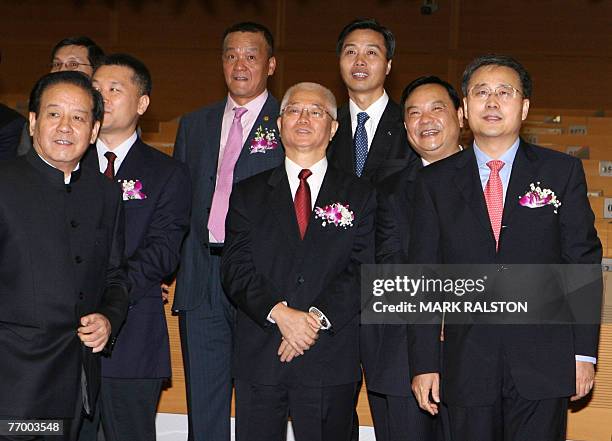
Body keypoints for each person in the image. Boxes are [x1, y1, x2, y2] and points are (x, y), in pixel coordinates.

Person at [408, 55, 602, 441]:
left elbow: (581, 263)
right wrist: (424, 362)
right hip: (465, 364)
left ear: (524, 106)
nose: (492, 102)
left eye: (504, 92)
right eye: (481, 92)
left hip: (544, 361)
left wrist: (583, 353)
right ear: (464, 109)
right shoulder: (434, 183)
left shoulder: (560, 173)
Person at [221, 82, 375, 441]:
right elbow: (235, 267)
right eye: (294, 110)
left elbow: (364, 268)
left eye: (316, 111)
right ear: (279, 124)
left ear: (334, 127)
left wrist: (314, 320)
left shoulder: (361, 194)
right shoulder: (248, 192)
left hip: (329, 356)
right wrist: (281, 314)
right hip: (262, 352)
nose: (303, 118)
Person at [0, 71, 129, 441]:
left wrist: (109, 318)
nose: (65, 127)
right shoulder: (4, 183)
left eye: (79, 118)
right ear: (33, 120)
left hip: (75, 383)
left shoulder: (105, 195)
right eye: (54, 114)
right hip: (12, 383)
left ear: (94, 130)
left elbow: (116, 274)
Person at [172, 21, 284, 441]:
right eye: (231, 55)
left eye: (251, 56)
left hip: (260, 280)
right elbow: (179, 204)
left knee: (259, 399)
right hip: (201, 274)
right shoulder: (194, 124)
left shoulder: (288, 120)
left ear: (270, 65)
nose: (240, 64)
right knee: (204, 401)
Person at [76, 54, 191, 441]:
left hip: (132, 338)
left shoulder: (167, 173)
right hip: (66, 341)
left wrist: (111, 294)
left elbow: (163, 251)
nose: (102, 97)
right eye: (96, 89)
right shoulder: (65, 163)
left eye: (114, 89)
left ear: (142, 103)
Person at [362, 76, 464, 441]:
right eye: (414, 113)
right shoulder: (386, 191)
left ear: (461, 115)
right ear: (405, 126)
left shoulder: (493, 180)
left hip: (479, 353)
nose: (426, 120)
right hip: (401, 357)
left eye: (437, 109)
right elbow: (389, 270)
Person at [327, 18, 418, 184]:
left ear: (388, 65)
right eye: (351, 52)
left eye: (371, 53)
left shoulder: (409, 123)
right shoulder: (327, 125)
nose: (360, 61)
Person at [16, 36, 105, 156]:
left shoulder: (109, 122)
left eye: (73, 64)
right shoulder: (38, 121)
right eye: (57, 64)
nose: (62, 69)